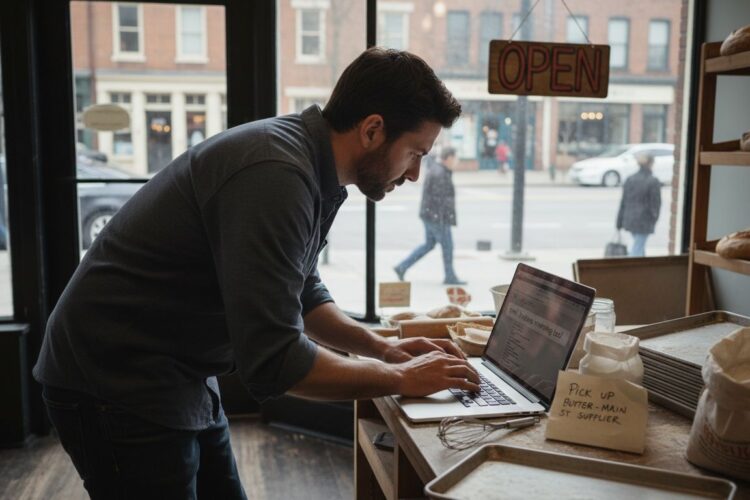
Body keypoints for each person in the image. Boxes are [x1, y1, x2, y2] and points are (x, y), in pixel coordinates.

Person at [32, 48, 480, 499]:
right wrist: (402, 379)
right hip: (115, 380)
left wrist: (383, 348)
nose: (417, 173)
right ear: (372, 130)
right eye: (415, 153)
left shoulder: (305, 161)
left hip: (175, 371)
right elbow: (276, 363)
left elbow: (300, 290)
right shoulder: (276, 174)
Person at [393, 146, 466, 285]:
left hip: (430, 216)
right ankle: (450, 276)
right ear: (449, 158)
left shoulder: (439, 170)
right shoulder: (440, 173)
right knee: (447, 246)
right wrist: (443, 220)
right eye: (455, 158)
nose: (456, 161)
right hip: (437, 218)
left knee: (429, 244)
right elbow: (439, 201)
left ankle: (402, 267)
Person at [616, 153, 662, 257]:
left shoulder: (630, 179)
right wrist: (654, 218)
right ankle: (630, 270)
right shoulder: (653, 181)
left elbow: (623, 202)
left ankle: (641, 270)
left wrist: (619, 222)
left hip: (629, 219)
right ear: (651, 164)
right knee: (637, 249)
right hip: (645, 220)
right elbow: (656, 204)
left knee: (639, 246)